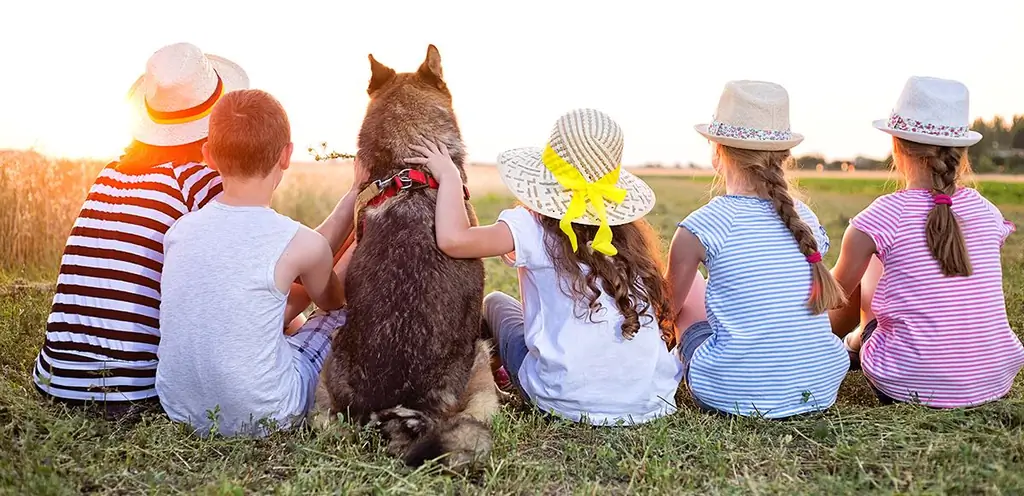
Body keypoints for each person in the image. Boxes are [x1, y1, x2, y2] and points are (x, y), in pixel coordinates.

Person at [406, 108, 683, 426]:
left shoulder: (530, 225)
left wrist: (450, 178)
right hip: (648, 398)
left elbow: (454, 240)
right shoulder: (629, 235)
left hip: (560, 397)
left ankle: (496, 379)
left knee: (495, 303)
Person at [30, 43, 249, 417]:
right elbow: (250, 269)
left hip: (54, 378)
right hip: (129, 390)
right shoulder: (196, 181)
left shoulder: (110, 173)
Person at [153, 89, 366, 436]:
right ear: (286, 155)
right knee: (335, 317)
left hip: (179, 406)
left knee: (266, 308)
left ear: (208, 155)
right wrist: (361, 235)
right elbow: (333, 301)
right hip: (267, 410)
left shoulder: (180, 231)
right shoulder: (301, 243)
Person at [829, 76, 1024, 407]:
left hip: (907, 379)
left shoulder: (883, 215)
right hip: (994, 376)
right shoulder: (986, 212)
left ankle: (856, 342)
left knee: (876, 258)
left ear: (896, 145)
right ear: (961, 152)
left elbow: (835, 297)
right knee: (893, 256)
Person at [667, 81, 849, 418]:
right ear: (784, 157)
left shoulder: (701, 225)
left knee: (692, 287)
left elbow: (667, 310)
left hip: (728, 393)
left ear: (716, 152)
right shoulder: (803, 216)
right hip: (821, 387)